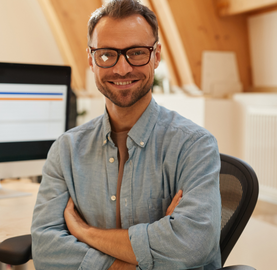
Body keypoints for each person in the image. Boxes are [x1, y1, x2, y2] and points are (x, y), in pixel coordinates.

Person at [30, 0, 221, 269]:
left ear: (156, 56)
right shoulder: (66, 149)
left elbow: (191, 245)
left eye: (137, 53)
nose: (122, 69)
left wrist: (85, 233)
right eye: (107, 54)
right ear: (91, 59)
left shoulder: (194, 146)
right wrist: (146, 253)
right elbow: (45, 249)